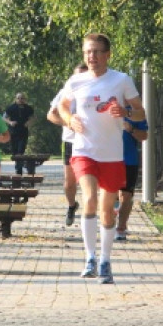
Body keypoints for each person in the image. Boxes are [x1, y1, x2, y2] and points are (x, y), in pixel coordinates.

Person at [58, 34, 145, 284]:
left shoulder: (121, 80)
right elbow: (63, 106)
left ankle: (105, 260)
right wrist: (69, 119)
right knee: (89, 199)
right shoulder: (76, 81)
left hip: (112, 155)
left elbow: (141, 113)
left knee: (107, 211)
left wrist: (126, 112)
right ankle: (89, 258)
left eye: (96, 52)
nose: (91, 57)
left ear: (108, 54)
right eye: (87, 52)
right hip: (84, 151)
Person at [48, 63, 88, 226]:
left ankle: (90, 212)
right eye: (77, 75)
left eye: (84, 75)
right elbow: (50, 115)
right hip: (71, 141)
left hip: (90, 141)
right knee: (69, 182)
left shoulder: (97, 91)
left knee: (89, 180)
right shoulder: (65, 93)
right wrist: (68, 123)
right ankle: (72, 205)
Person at [115, 107, 149, 241]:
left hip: (129, 159)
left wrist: (131, 129)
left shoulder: (135, 111)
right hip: (108, 158)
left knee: (126, 195)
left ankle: (121, 228)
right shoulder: (104, 106)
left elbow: (144, 136)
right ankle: (109, 222)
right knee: (110, 194)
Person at [3, 92, 35, 174]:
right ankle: (19, 166)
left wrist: (28, 122)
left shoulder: (28, 108)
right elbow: (4, 118)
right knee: (14, 152)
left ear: (25, 99)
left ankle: (19, 169)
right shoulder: (11, 108)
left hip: (23, 132)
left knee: (21, 151)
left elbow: (33, 118)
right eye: (18, 98)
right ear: (15, 99)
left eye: (22, 98)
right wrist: (10, 122)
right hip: (13, 132)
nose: (20, 100)